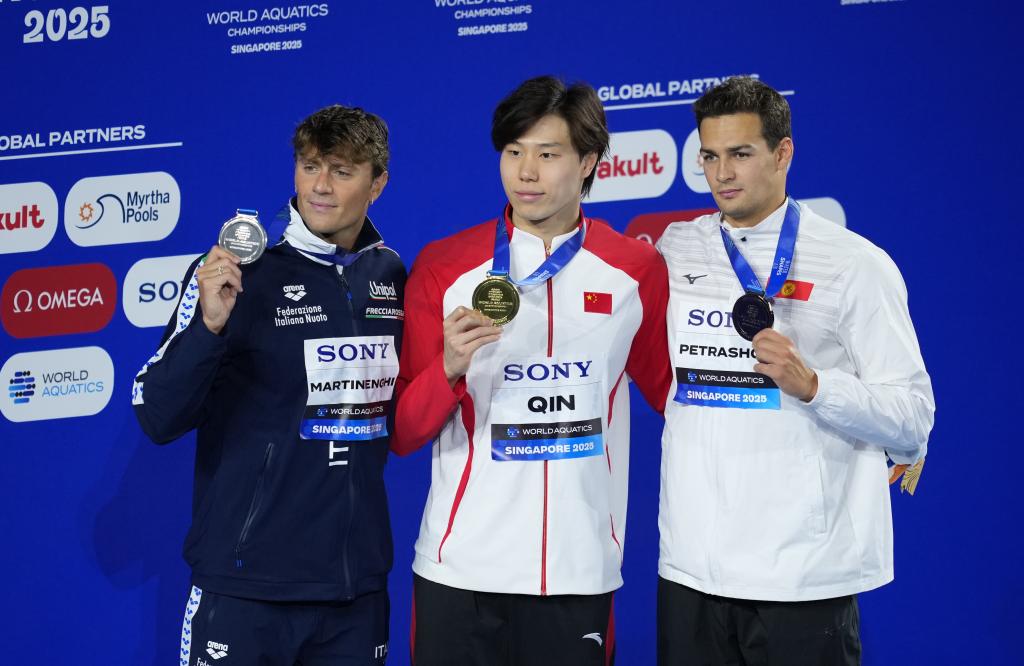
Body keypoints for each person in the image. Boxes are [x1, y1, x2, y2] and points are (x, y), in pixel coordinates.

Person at [391, 75, 672, 666]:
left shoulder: (636, 270)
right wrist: (449, 368)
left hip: (578, 568)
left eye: (548, 154)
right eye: (513, 152)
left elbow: (677, 395)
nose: (526, 172)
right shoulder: (445, 266)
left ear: (588, 162)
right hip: (460, 568)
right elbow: (405, 432)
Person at [656, 76, 936, 665]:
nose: (722, 174)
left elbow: (913, 416)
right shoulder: (676, 249)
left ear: (783, 153)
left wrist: (815, 386)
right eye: (709, 156)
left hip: (802, 577)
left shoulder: (855, 264)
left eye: (740, 154)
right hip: (692, 571)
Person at [132, 105, 404, 665]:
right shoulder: (238, 272)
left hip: (354, 593)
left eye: (342, 171)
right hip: (247, 589)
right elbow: (156, 415)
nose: (320, 187)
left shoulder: (390, 276)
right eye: (309, 166)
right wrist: (208, 327)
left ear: (378, 184)